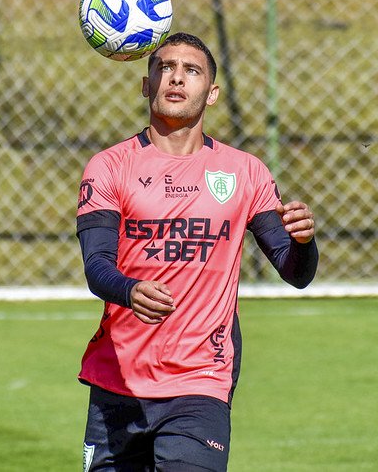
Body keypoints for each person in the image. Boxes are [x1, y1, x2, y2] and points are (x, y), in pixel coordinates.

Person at [75, 32, 319, 471]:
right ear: (146, 85)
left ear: (212, 93)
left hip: (201, 379)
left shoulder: (245, 172)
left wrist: (303, 242)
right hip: (118, 381)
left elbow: (295, 271)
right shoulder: (109, 166)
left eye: (192, 70)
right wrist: (130, 290)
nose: (176, 77)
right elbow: (96, 267)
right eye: (165, 67)